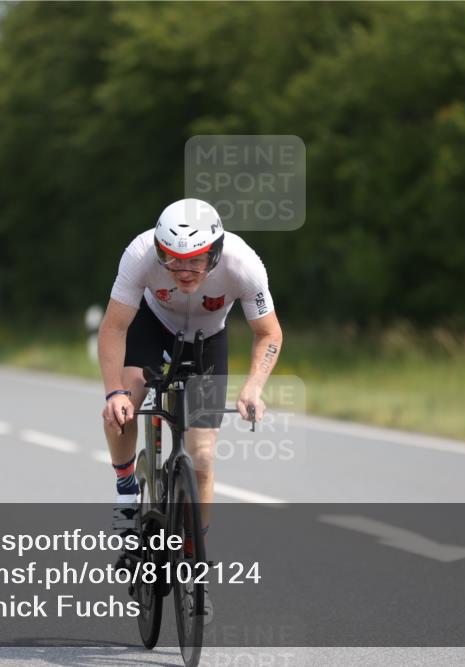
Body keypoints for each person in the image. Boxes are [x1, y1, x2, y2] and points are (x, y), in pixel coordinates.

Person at [98, 198, 283, 622]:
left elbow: (268, 332)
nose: (183, 271)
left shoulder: (243, 264)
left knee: (201, 456)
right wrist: (114, 395)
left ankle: (193, 559)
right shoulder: (140, 254)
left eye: (195, 262)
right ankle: (126, 489)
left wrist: (254, 387)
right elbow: (113, 327)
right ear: (159, 250)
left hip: (207, 342)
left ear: (215, 253)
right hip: (152, 326)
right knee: (126, 401)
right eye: (173, 261)